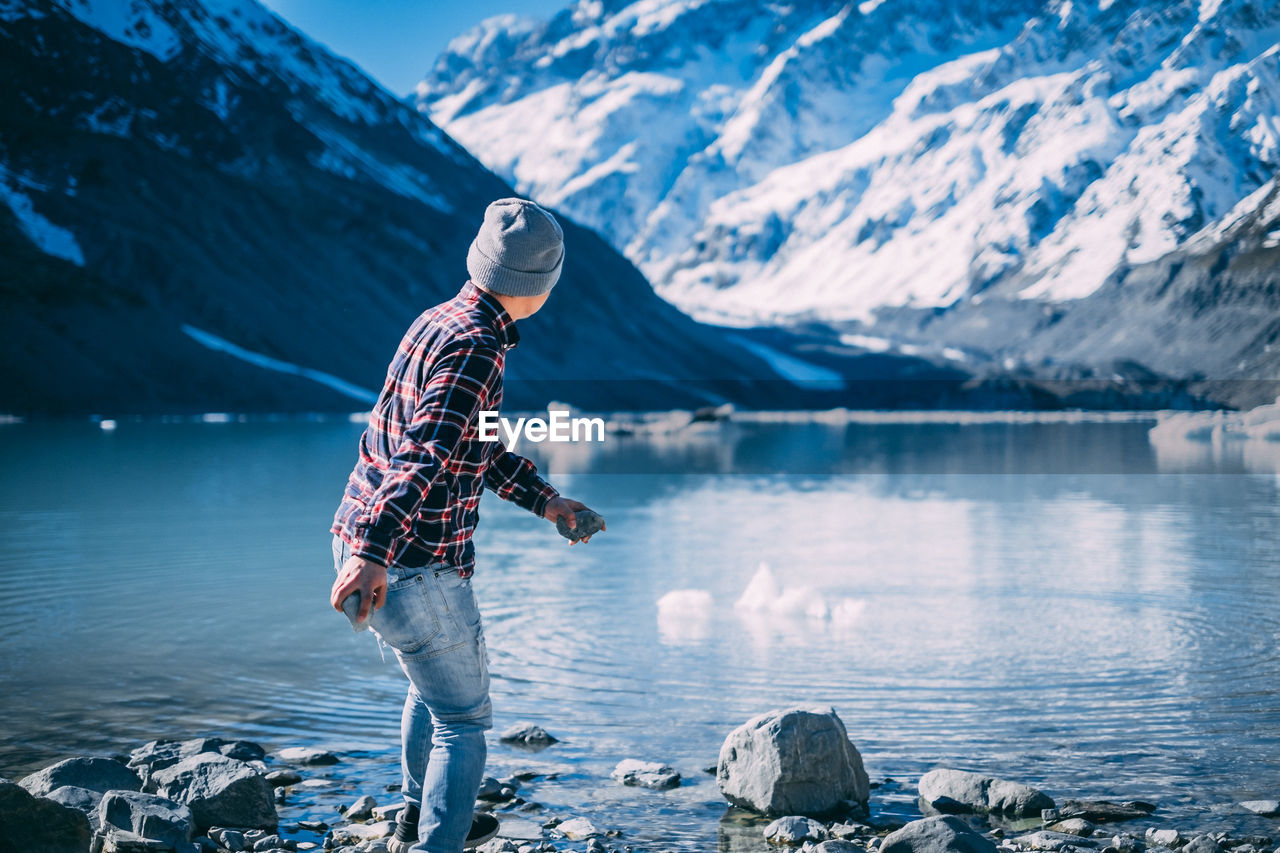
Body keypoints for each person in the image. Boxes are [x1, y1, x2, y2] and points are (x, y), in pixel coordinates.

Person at [329, 198, 602, 853]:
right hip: (412, 561)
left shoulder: (438, 320)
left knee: (430, 687)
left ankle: (414, 818)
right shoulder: (478, 347)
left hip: (367, 535)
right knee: (465, 718)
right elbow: (424, 452)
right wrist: (374, 552)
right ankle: (436, 844)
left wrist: (548, 502)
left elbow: (472, 444)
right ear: (536, 287)